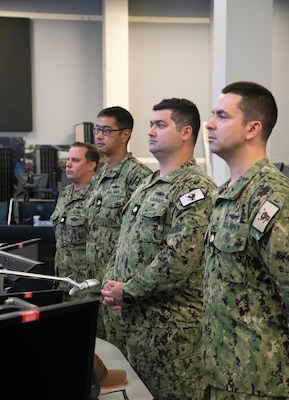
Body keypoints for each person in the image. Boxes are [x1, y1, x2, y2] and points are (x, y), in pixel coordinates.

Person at [101, 98, 216, 400]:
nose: (151, 131)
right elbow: (123, 242)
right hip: (134, 326)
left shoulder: (196, 189)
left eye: (161, 125)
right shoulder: (148, 184)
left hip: (171, 335)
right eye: (151, 124)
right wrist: (112, 284)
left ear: (186, 132)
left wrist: (128, 291)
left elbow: (178, 259)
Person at [202, 81, 289, 400]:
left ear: (253, 128)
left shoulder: (271, 196)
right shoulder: (225, 194)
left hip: (260, 380)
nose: (209, 124)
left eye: (222, 116)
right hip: (222, 372)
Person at [86, 106, 152, 351]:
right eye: (97, 130)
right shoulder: (101, 175)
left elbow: (140, 236)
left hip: (119, 286)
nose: (99, 136)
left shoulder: (138, 176)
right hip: (95, 283)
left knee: (120, 355)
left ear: (125, 135)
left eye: (106, 130)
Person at [50, 141, 99, 298]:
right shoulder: (65, 193)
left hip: (86, 285)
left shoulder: (99, 196)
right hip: (63, 281)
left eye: (75, 160)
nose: (68, 164)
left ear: (91, 165)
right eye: (68, 159)